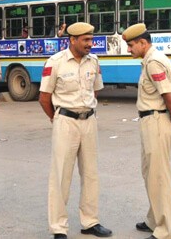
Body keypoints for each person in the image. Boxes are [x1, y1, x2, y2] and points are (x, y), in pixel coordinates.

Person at [38, 22, 112, 239]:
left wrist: (86, 111)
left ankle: (90, 222)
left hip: (89, 120)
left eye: (91, 39)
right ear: (72, 40)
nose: (91, 44)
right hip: (66, 122)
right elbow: (44, 98)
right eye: (86, 40)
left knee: (91, 173)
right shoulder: (56, 62)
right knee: (61, 175)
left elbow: (95, 91)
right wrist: (58, 118)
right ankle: (59, 227)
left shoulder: (94, 61)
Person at [122, 23, 171, 239]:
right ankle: (154, 220)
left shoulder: (154, 63)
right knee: (150, 173)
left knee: (158, 177)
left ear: (143, 43)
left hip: (157, 121)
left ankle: (166, 231)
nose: (129, 50)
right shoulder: (149, 61)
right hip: (150, 121)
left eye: (131, 45)